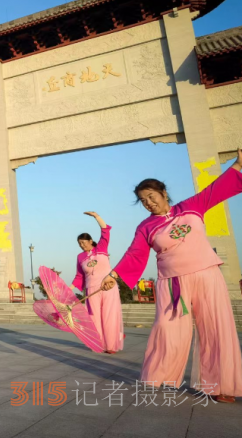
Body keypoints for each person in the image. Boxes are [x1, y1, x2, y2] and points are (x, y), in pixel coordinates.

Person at [100, 149, 242, 403]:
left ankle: (220, 385)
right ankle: (161, 375)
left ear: (164, 193)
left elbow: (216, 189)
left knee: (216, 330)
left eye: (151, 197)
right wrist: (114, 274)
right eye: (143, 201)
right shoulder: (145, 226)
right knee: (166, 328)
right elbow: (135, 255)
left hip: (207, 275)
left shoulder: (192, 206)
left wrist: (238, 166)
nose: (149, 203)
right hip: (174, 283)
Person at [71, 212, 123, 354]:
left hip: (108, 286)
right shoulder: (80, 257)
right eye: (79, 243)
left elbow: (105, 231)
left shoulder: (101, 248)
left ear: (90, 241)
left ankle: (111, 345)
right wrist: (68, 288)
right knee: (94, 317)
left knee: (109, 315)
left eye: (83, 242)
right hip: (91, 289)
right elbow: (79, 276)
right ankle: (98, 344)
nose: (82, 245)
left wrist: (96, 217)